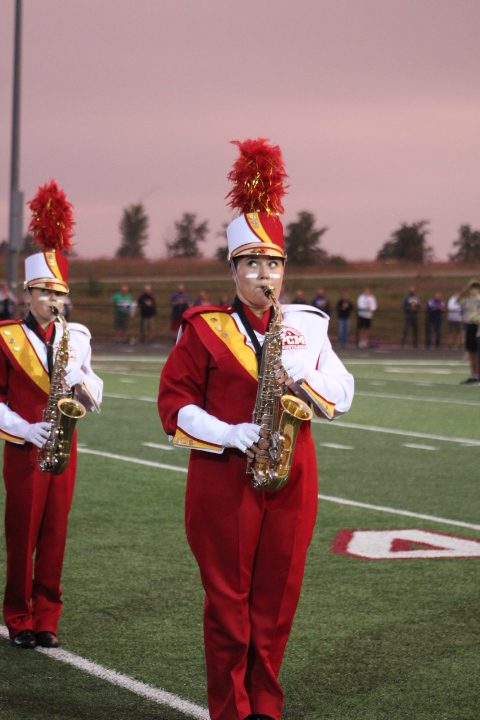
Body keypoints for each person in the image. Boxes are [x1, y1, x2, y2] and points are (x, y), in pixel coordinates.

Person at [158, 138, 354, 720]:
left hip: (293, 475)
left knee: (276, 602)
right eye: (252, 264)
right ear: (234, 270)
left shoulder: (306, 327)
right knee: (229, 605)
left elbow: (344, 392)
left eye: (273, 264)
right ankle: (230, 710)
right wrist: (232, 433)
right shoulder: (203, 329)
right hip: (225, 479)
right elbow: (174, 406)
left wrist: (305, 384)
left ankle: (265, 707)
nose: (264, 275)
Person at [0, 181, 103, 650]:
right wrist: (24, 428)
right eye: (43, 292)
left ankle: (47, 617)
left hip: (64, 443)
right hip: (23, 446)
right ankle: (19, 616)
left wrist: (85, 395)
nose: (51, 300)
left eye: (57, 292)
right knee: (22, 536)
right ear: (27, 293)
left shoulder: (74, 335)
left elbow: (91, 379)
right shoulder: (5, 336)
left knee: (56, 534)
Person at [457, 279, 480, 383]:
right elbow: (458, 301)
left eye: (475, 287)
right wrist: (465, 288)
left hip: (477, 324)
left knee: (478, 351)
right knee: (471, 351)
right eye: (472, 287)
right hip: (469, 324)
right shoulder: (467, 298)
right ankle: (473, 374)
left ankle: (478, 374)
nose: (474, 289)